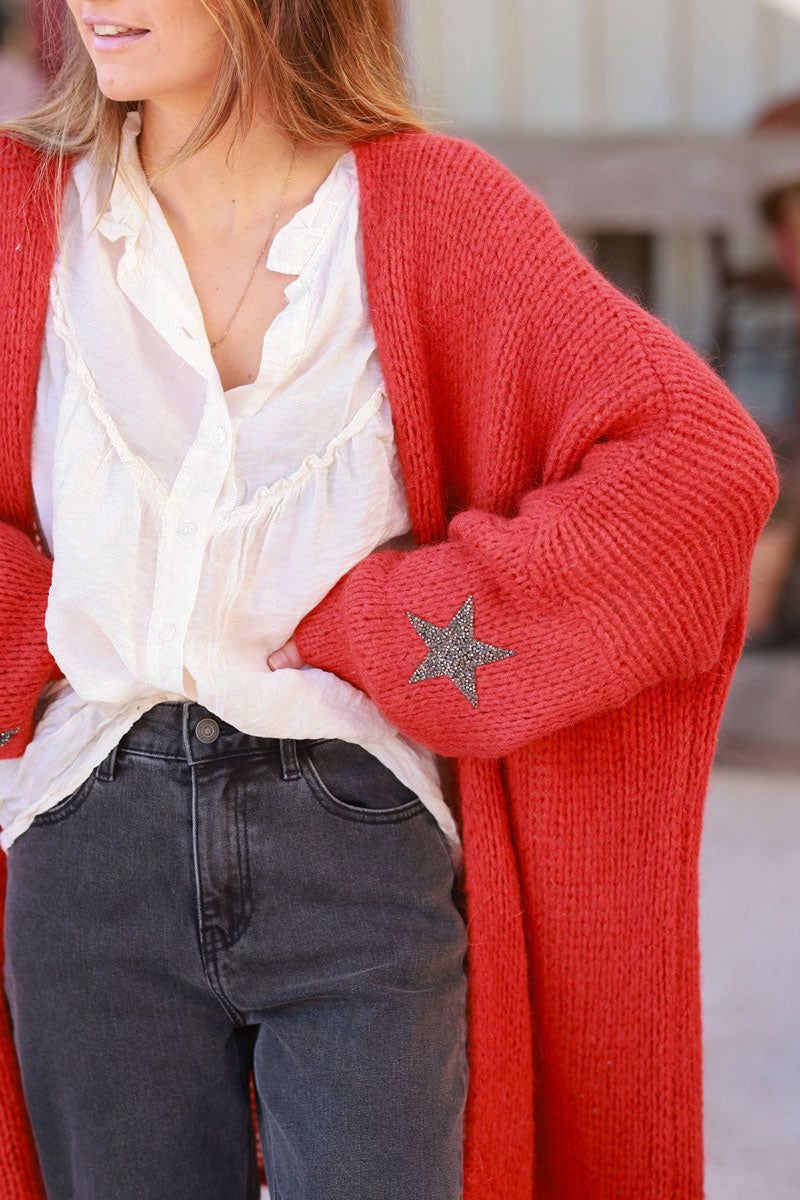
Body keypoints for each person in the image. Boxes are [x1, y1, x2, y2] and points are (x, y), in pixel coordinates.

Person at [0, 2, 780, 1198]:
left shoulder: (432, 209)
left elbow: (696, 469)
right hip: (84, 844)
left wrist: (399, 632)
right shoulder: (19, 212)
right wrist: (28, 631)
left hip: (351, 841)